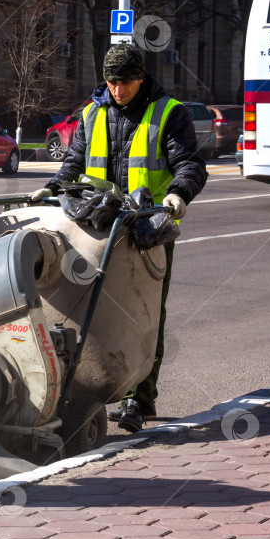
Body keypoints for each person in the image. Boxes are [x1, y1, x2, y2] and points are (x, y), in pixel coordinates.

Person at [31, 43, 207, 434]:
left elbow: (190, 163)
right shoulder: (93, 113)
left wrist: (178, 193)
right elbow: (75, 162)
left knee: (145, 311)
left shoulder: (168, 113)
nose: (117, 90)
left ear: (140, 78)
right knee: (88, 304)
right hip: (98, 224)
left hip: (149, 228)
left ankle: (138, 399)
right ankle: (87, 384)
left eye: (124, 82)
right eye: (111, 82)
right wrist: (52, 186)